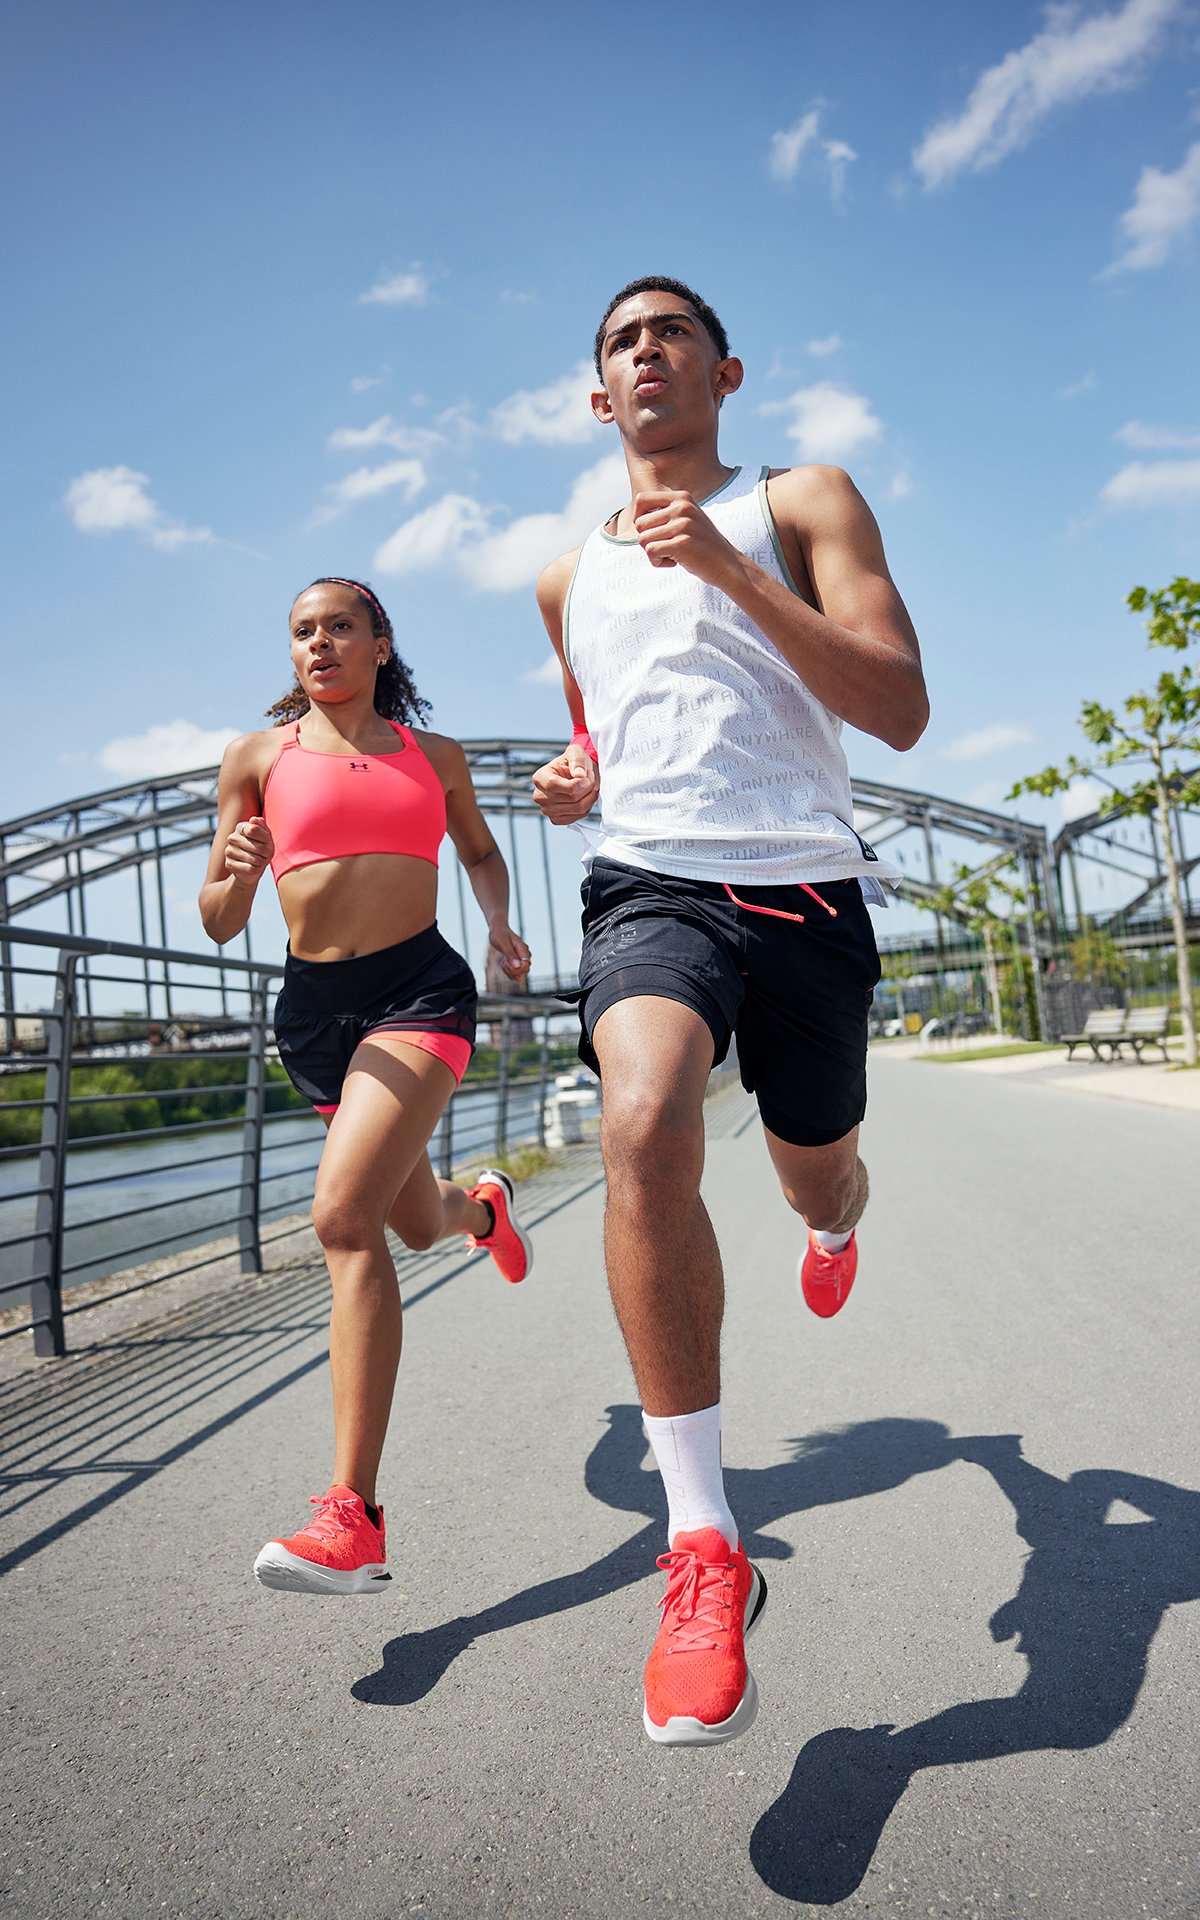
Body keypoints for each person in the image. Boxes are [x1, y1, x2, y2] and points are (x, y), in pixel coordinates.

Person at [532, 277, 928, 1744]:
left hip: (809, 891)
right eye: (622, 340)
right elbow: (603, 725)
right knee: (641, 1121)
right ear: (598, 395)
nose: (647, 351)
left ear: (725, 370)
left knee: (816, 1160)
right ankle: (704, 1543)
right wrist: (575, 777)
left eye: (672, 333)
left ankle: (832, 1224)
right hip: (652, 888)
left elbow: (897, 705)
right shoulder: (564, 577)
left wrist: (731, 570)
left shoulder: (801, 499)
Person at [200, 576, 533, 1595]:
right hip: (312, 1012)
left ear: (380, 644)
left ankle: (353, 1516)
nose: (320, 643)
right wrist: (240, 869)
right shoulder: (255, 759)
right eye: (302, 632)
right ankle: (481, 1213)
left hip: (419, 993)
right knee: (415, 1223)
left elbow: (479, 850)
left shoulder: (434, 757)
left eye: (340, 626)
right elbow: (217, 921)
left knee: (344, 1220)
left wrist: (498, 922)